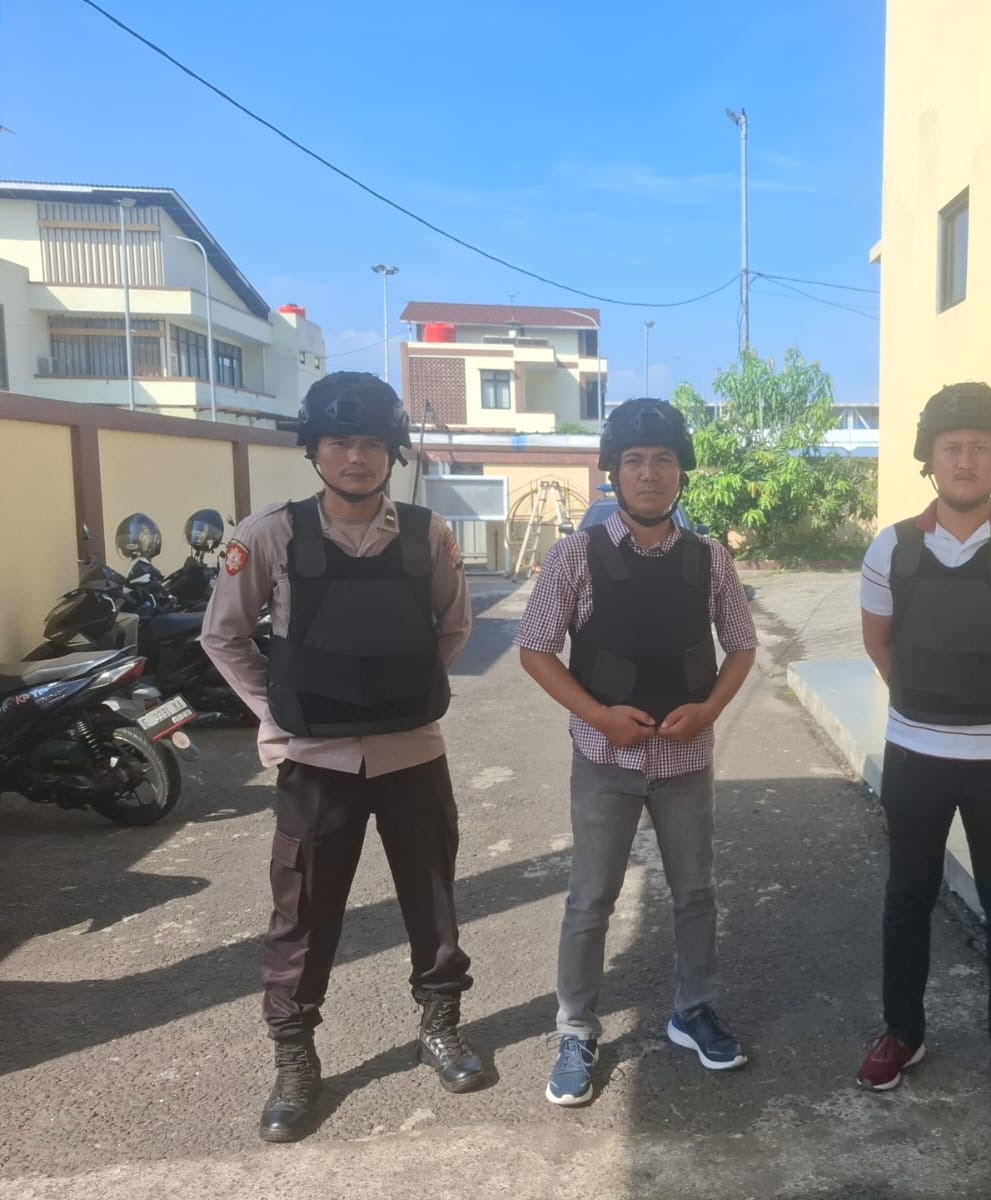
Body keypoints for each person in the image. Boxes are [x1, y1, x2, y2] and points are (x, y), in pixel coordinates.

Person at [202, 371, 483, 1143]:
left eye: (370, 442)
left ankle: (440, 1026)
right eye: (338, 441)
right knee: (302, 913)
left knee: (432, 898)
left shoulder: (428, 533)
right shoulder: (270, 534)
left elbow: (453, 628)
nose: (355, 456)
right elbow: (223, 634)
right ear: (314, 449)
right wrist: (278, 711)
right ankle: (295, 1057)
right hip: (315, 758)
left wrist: (399, 694)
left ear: (392, 451)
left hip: (412, 752)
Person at [516, 397, 757, 1107]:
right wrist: (599, 717)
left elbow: (741, 646)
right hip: (605, 759)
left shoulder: (710, 560)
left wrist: (709, 711)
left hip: (686, 763)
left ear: (681, 471)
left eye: (662, 460)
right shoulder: (574, 555)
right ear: (612, 472)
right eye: (634, 460)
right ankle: (575, 1030)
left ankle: (694, 1011)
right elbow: (535, 649)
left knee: (696, 893)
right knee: (590, 899)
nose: (649, 473)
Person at [856, 382, 991, 1106]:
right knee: (906, 897)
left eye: (981, 446)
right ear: (930, 458)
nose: (965, 459)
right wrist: (928, 702)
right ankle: (901, 1032)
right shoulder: (891, 546)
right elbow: (879, 644)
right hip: (914, 756)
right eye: (951, 446)